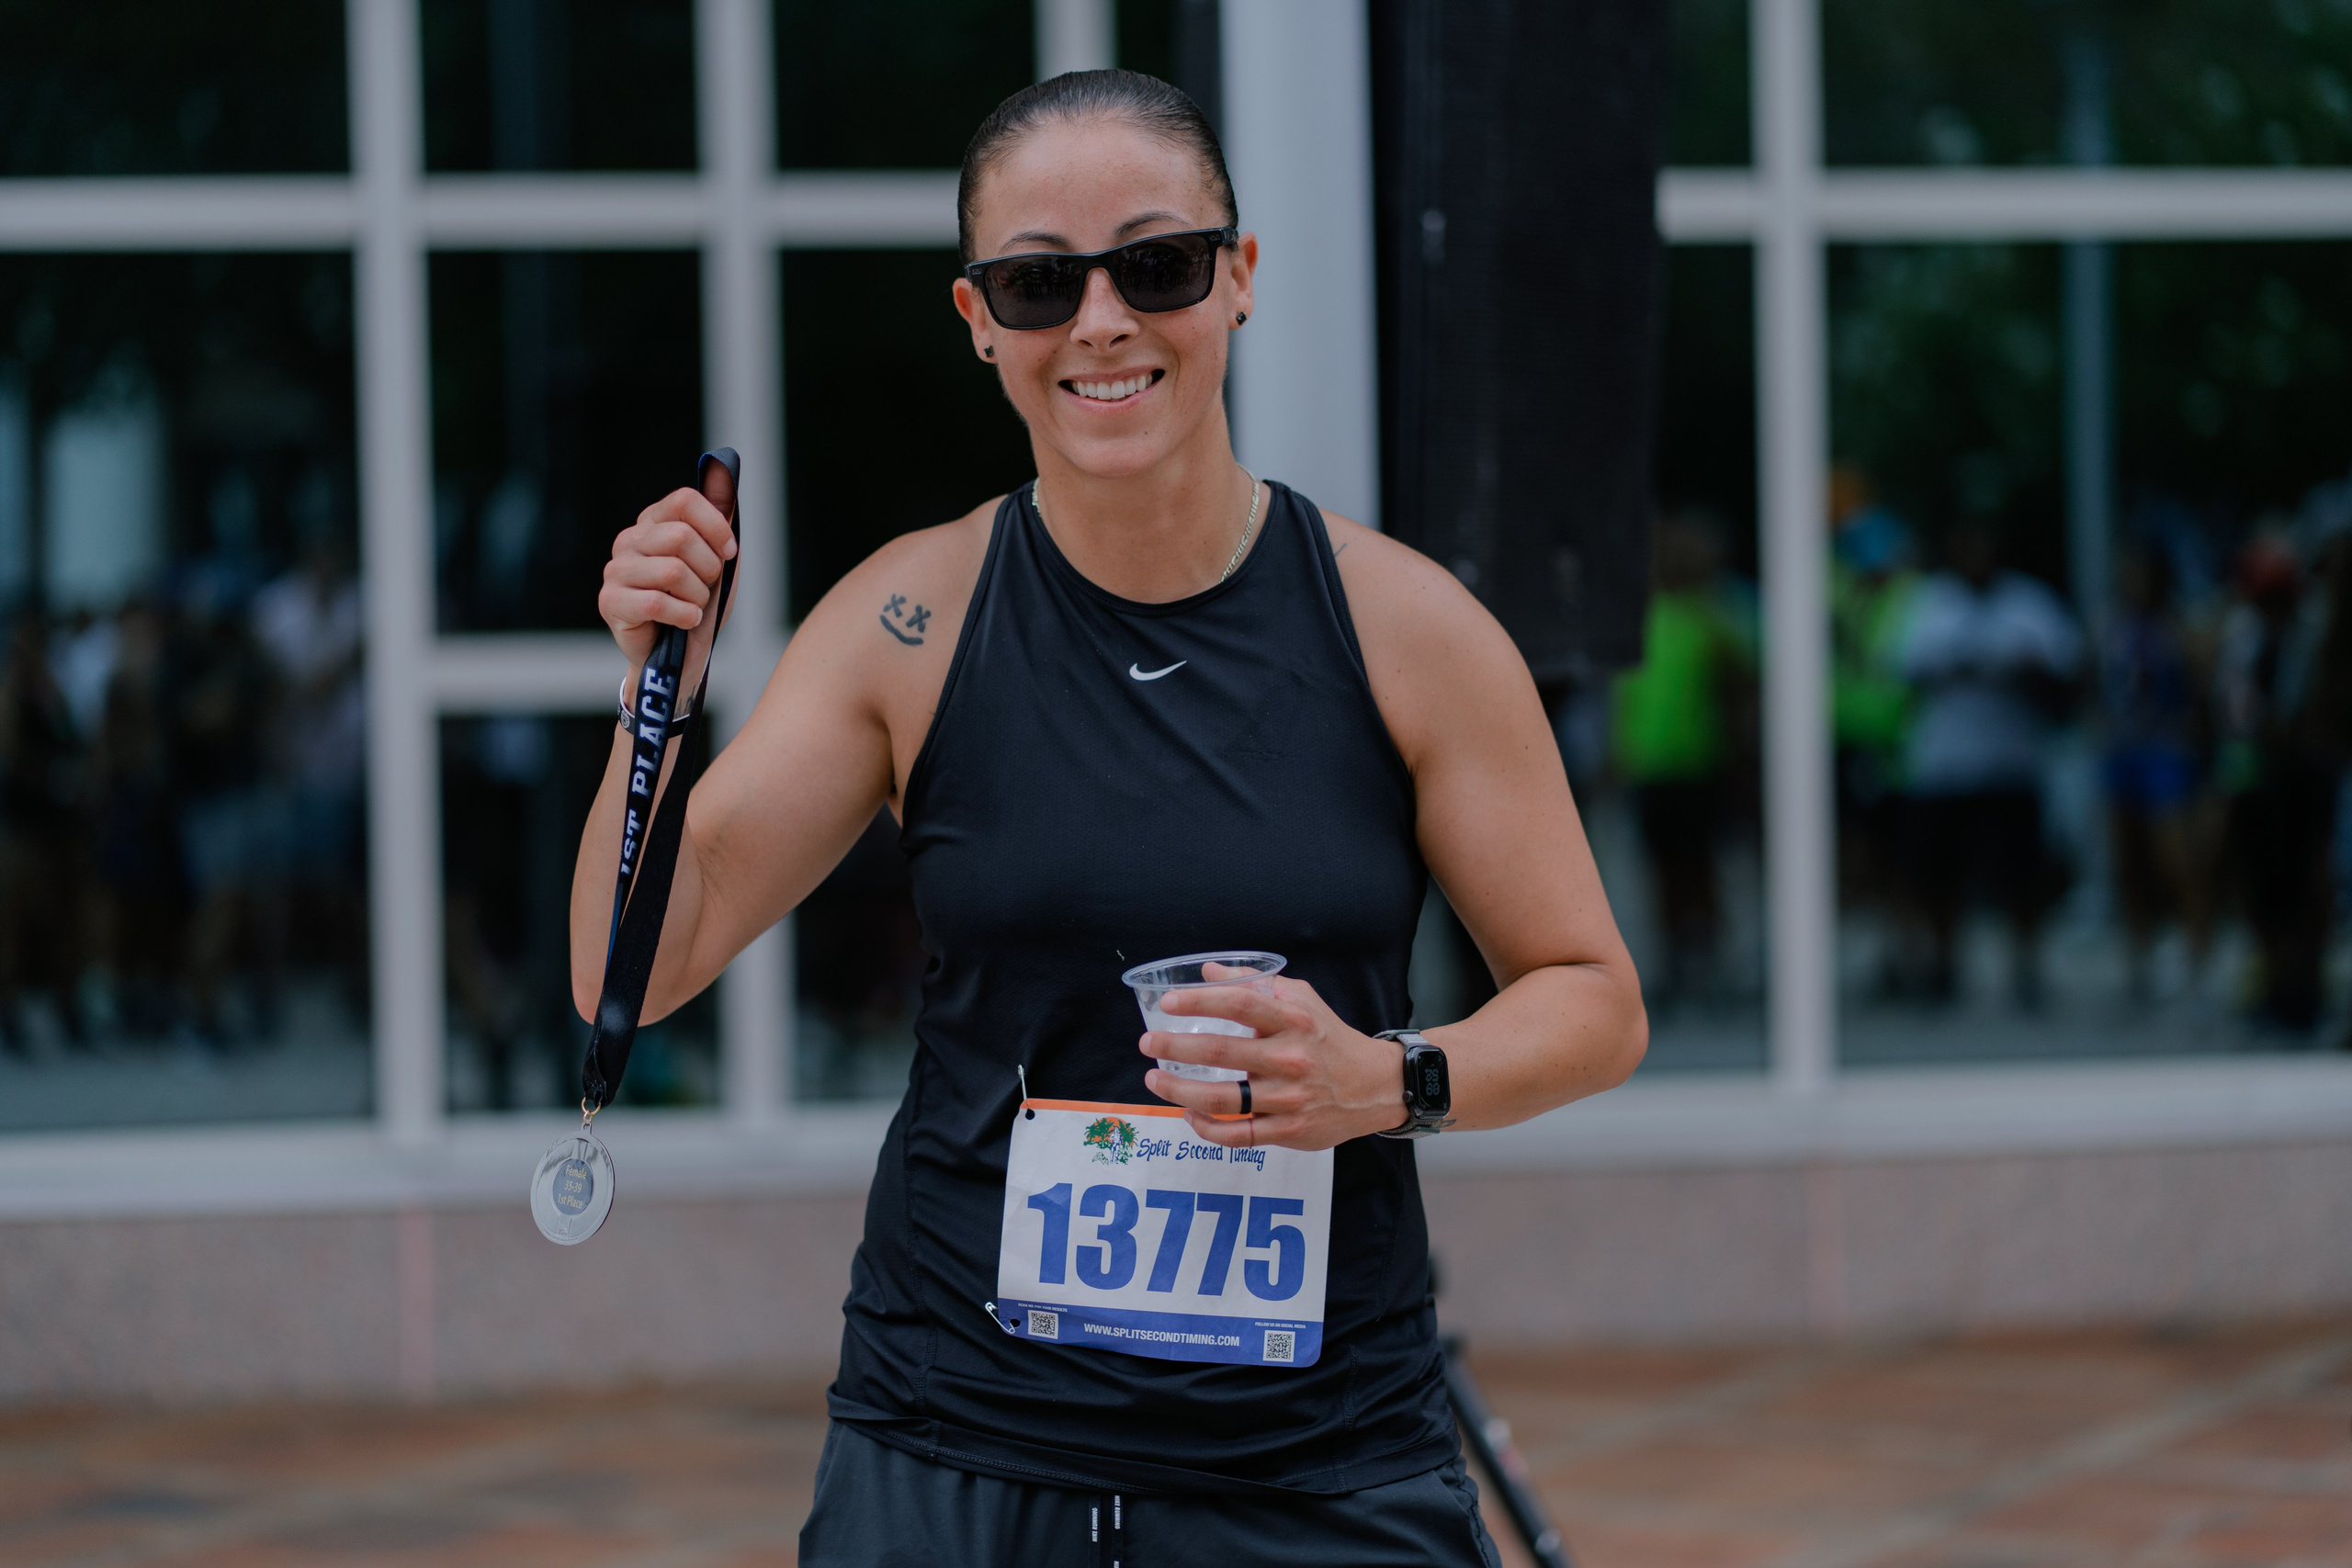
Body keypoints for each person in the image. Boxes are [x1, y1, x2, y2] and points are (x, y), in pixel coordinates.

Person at [571, 71, 1645, 1565]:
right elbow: (641, 959)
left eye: (1157, 264)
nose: (1101, 323)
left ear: (1240, 277)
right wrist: (653, 706)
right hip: (954, 1437)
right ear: (978, 321)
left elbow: (1594, 999)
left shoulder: (1407, 629)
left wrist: (1383, 1078)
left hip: (1315, 1453)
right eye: (1036, 281)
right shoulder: (909, 617)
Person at [1898, 520, 2082, 1009]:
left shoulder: (2030, 604)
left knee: (2022, 877)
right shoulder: (1930, 601)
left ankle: (2026, 968)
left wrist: (2024, 672)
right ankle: (1942, 966)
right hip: (1944, 764)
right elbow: (1903, 669)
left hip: (2011, 762)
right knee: (1939, 875)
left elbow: (2068, 674)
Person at [1610, 510, 1753, 1006]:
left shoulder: (1710, 617)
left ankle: (1709, 959)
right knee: (1662, 870)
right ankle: (1673, 959)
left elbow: (1739, 691)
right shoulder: (1639, 617)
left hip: (1700, 765)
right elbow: (1622, 700)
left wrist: (1739, 758)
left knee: (1701, 866)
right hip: (1650, 768)